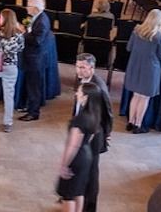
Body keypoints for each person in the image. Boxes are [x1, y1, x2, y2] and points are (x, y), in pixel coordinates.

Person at [56, 81, 104, 212]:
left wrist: (64, 165)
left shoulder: (81, 118)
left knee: (68, 194)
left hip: (77, 157)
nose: (77, 93)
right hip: (87, 155)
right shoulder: (95, 115)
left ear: (86, 97)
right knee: (79, 191)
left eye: (80, 92)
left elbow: (73, 145)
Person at [74, 53, 113, 212]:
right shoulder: (81, 81)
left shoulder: (99, 87)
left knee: (91, 173)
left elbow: (108, 113)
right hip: (81, 132)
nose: (78, 71)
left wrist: (106, 134)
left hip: (93, 136)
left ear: (92, 68)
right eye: (77, 66)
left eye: (82, 67)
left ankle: (89, 207)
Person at [124, 8, 161, 133]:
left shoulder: (136, 30)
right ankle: (138, 124)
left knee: (136, 95)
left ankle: (130, 121)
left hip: (135, 66)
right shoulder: (159, 36)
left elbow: (129, 47)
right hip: (150, 69)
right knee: (144, 98)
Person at [20, 0, 52, 122]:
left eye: (28, 6)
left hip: (35, 59)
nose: (26, 8)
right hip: (32, 57)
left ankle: (33, 112)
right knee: (31, 85)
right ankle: (29, 107)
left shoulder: (42, 21)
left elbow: (37, 40)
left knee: (34, 86)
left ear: (35, 8)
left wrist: (24, 33)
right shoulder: (37, 17)